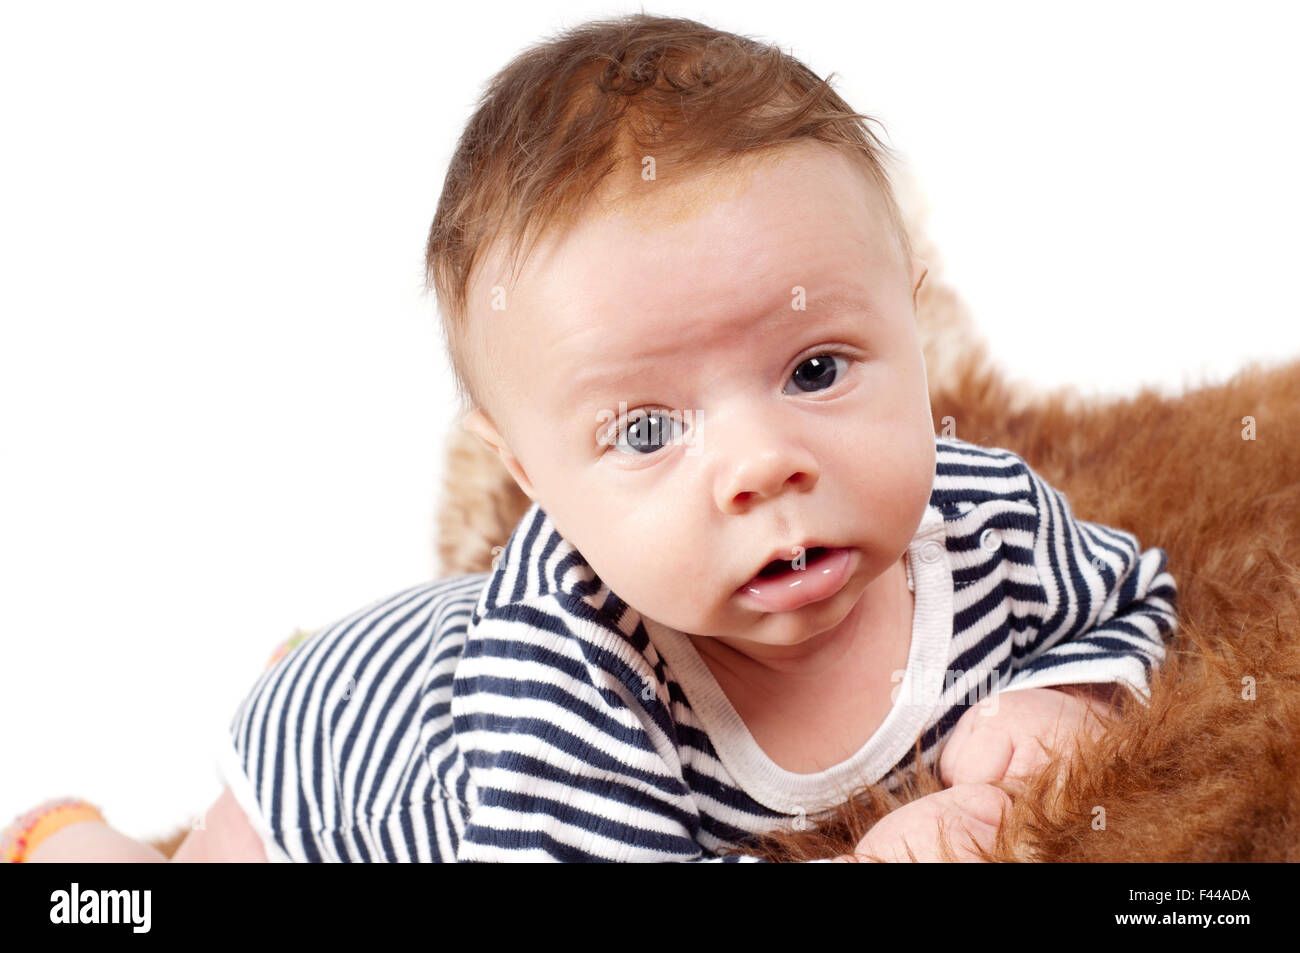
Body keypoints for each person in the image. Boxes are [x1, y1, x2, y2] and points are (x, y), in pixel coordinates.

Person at [11, 12, 1177, 864]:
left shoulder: (988, 522)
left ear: (913, 330)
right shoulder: (570, 673)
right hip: (345, 752)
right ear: (534, 477)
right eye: (650, 428)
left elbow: (1136, 597)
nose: (763, 463)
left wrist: (1067, 698)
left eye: (815, 369)